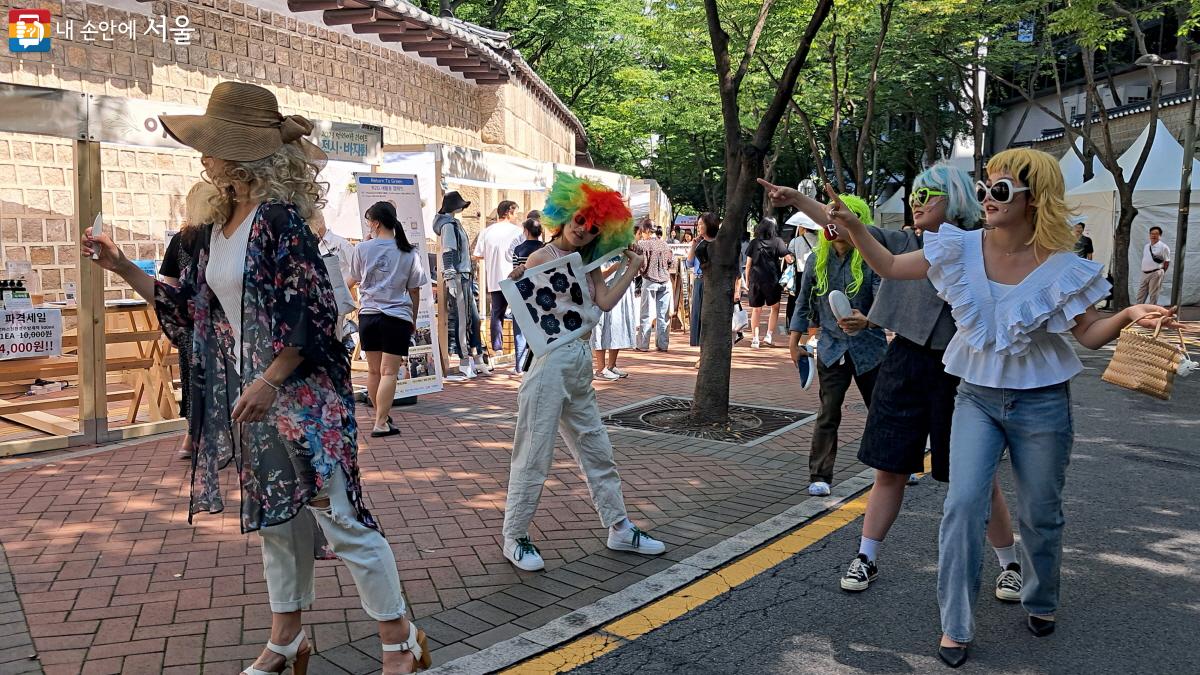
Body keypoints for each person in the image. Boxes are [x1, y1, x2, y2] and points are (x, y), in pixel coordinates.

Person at [83, 82, 431, 674]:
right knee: (279, 521)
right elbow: (191, 306)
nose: (204, 156)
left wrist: (270, 379)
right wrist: (119, 267)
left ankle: (401, 640)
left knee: (340, 518)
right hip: (256, 397)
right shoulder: (217, 227)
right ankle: (287, 638)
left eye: (214, 145)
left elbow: (314, 313)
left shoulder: (277, 222)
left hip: (300, 397)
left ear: (246, 155)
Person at [814, 148, 1172, 668]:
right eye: (984, 188)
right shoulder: (959, 248)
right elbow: (889, 264)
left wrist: (1132, 313)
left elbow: (1089, 335)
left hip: (1042, 402)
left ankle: (1041, 597)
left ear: (1034, 199)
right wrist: (853, 226)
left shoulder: (1065, 267)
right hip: (975, 397)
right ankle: (955, 625)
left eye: (1000, 190)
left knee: (1041, 513)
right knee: (962, 506)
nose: (987, 197)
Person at [762, 166, 1022, 604]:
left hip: (960, 369)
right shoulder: (904, 243)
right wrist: (799, 200)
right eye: (914, 193)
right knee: (890, 468)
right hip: (902, 361)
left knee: (976, 476)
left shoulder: (982, 249)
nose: (917, 201)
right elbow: (849, 224)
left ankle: (1010, 563)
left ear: (955, 198)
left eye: (928, 194)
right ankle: (866, 556)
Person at [501, 173, 666, 571]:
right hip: (549, 363)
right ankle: (515, 535)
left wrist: (632, 266)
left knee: (597, 449)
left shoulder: (586, 263)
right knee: (534, 453)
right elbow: (528, 301)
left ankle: (619, 527)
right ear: (565, 216)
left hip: (578, 362)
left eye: (593, 227)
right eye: (578, 220)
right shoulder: (541, 258)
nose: (583, 230)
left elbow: (605, 303)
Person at [787, 195, 884, 498]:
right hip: (830, 348)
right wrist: (794, 343)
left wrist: (867, 321)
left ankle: (892, 469)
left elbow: (886, 303)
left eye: (840, 217)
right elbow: (802, 303)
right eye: (830, 217)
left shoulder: (873, 258)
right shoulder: (817, 259)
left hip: (870, 349)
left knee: (881, 410)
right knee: (828, 413)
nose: (832, 224)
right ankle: (820, 475)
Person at [351, 201, 429, 438]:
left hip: (368, 317)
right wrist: (413, 318)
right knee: (388, 373)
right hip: (396, 317)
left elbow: (353, 279)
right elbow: (415, 290)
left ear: (375, 222)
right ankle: (381, 421)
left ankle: (381, 417)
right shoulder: (409, 252)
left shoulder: (362, 248)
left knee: (374, 372)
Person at [160, 181, 220, 460]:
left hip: (189, 324)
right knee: (220, 378)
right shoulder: (220, 238)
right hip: (220, 321)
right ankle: (211, 439)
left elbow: (168, 284)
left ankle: (190, 437)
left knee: (192, 377)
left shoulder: (179, 239)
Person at [434, 191, 488, 380]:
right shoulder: (449, 225)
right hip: (457, 276)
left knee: (473, 318)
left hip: (464, 275)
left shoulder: (453, 223)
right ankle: (465, 360)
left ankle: (478, 357)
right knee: (463, 320)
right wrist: (450, 277)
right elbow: (448, 252)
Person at [473, 200, 525, 372]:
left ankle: (498, 348)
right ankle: (521, 354)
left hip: (495, 277)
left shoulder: (486, 232)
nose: (516, 216)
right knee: (519, 315)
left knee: (497, 314)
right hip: (516, 277)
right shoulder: (518, 232)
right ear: (509, 213)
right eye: (515, 213)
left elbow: (477, 255)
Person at [744, 217, 794, 348]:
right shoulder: (778, 242)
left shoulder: (754, 243)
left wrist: (747, 281)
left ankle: (755, 338)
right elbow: (789, 259)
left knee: (756, 310)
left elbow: (748, 264)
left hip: (756, 279)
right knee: (775, 307)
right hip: (772, 280)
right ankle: (769, 335)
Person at [591, 248, 639, 380]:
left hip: (618, 296)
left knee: (617, 328)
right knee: (601, 329)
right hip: (604, 295)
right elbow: (599, 276)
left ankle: (612, 365)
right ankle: (601, 368)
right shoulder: (597, 254)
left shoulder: (620, 252)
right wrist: (615, 268)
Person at [635, 219, 674, 352]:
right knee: (663, 316)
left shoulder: (642, 244)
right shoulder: (664, 244)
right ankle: (663, 344)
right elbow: (671, 262)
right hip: (665, 282)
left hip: (650, 280)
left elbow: (641, 264)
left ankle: (643, 344)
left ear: (646, 230)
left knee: (646, 314)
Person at [686, 213, 721, 348]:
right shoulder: (698, 243)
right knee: (697, 315)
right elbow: (689, 264)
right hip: (699, 281)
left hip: (711, 282)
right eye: (698, 224)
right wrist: (693, 246)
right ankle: (700, 347)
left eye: (702, 224)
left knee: (709, 316)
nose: (699, 227)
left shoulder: (717, 244)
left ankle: (707, 349)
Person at [783, 219, 820, 338]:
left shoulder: (796, 241)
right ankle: (812, 327)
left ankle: (793, 325)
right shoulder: (819, 241)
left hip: (800, 274)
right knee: (813, 300)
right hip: (815, 274)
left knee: (796, 300)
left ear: (803, 228)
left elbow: (790, 257)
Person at [1136, 226, 1171, 304]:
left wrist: (1161, 272)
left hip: (1156, 272)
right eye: (1152, 234)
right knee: (1141, 294)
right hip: (1145, 273)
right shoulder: (1146, 246)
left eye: (1156, 234)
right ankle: (1138, 310)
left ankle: (1151, 312)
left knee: (1153, 294)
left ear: (1160, 235)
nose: (1153, 236)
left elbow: (1167, 261)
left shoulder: (1164, 247)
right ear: (1149, 235)